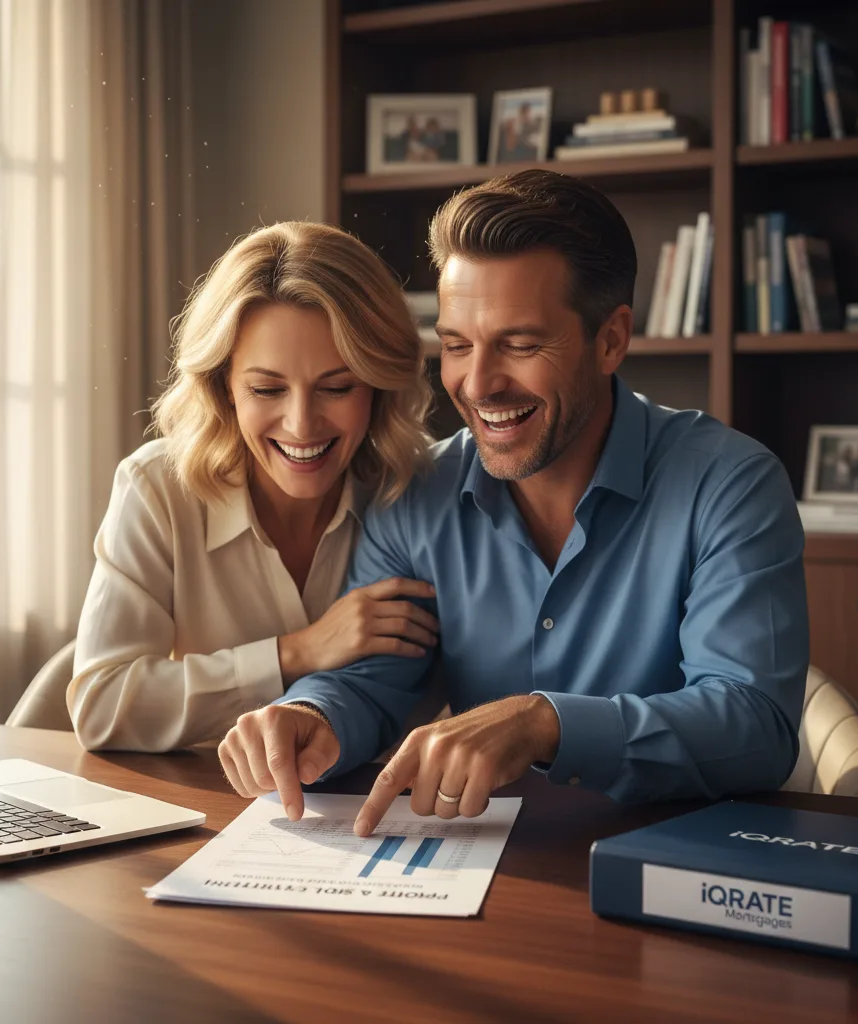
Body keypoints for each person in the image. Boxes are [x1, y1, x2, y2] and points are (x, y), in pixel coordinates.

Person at [219, 170, 809, 838]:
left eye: (520, 345)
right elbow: (373, 683)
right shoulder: (416, 494)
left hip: (676, 869)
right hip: (492, 872)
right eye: (455, 345)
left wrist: (545, 723)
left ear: (611, 339)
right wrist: (314, 717)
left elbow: (757, 727)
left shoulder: (730, 485)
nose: (477, 384)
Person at [69, 222, 438, 751]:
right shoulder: (157, 490)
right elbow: (101, 707)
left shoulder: (413, 492)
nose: (302, 424)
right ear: (224, 387)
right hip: (210, 805)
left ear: (378, 386)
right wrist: (297, 652)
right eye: (267, 388)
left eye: (336, 387)